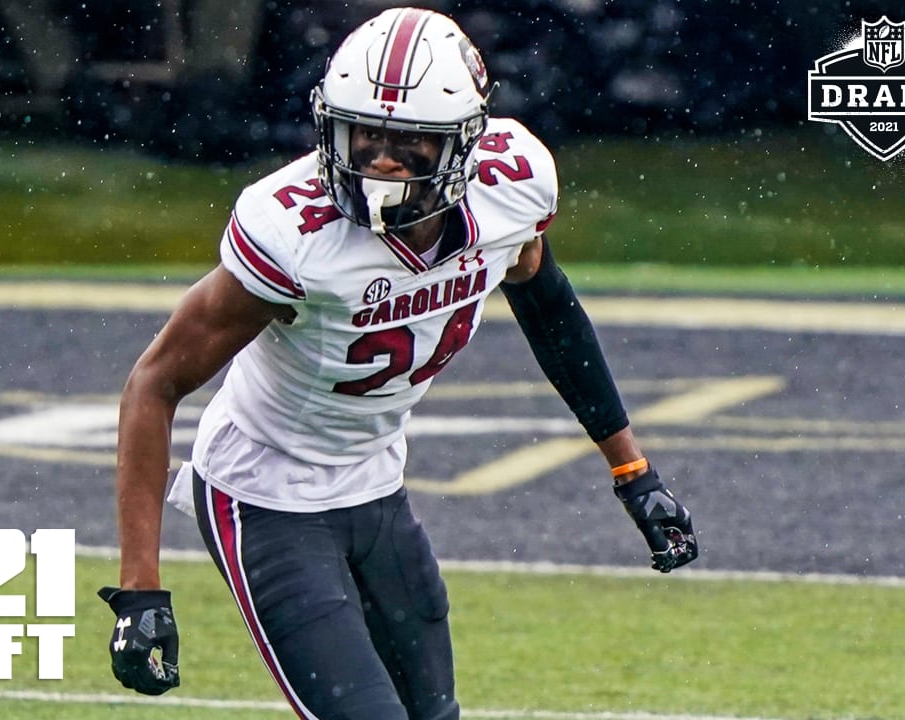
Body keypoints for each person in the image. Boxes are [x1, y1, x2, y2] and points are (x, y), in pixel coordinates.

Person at [96, 7, 699, 718]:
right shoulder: (292, 233)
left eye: (408, 143)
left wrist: (632, 471)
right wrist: (140, 589)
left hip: (376, 480)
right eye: (364, 135)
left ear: (464, 145)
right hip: (265, 495)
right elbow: (155, 381)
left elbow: (548, 306)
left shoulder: (512, 188)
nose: (379, 160)